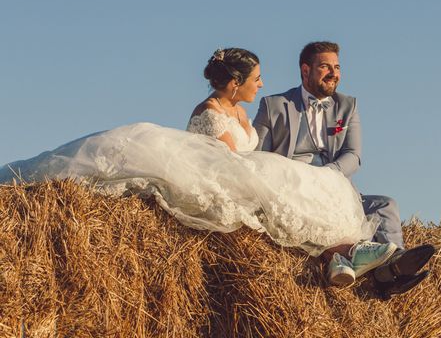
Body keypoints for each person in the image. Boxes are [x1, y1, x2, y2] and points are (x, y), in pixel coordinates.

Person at [0, 48, 394, 287]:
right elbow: (225, 163)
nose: (262, 84)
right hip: (221, 171)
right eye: (256, 79)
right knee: (290, 190)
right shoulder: (209, 114)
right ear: (235, 81)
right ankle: (341, 252)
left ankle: (341, 255)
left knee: (308, 186)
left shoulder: (240, 111)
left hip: (246, 166)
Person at [253, 41, 435, 298]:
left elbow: (353, 155)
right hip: (293, 187)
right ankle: (384, 277)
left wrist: (328, 175)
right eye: (325, 66)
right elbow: (258, 156)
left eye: (337, 67)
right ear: (305, 70)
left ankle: (395, 266)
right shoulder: (274, 105)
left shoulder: (348, 105)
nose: (334, 73)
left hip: (335, 183)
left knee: (385, 205)